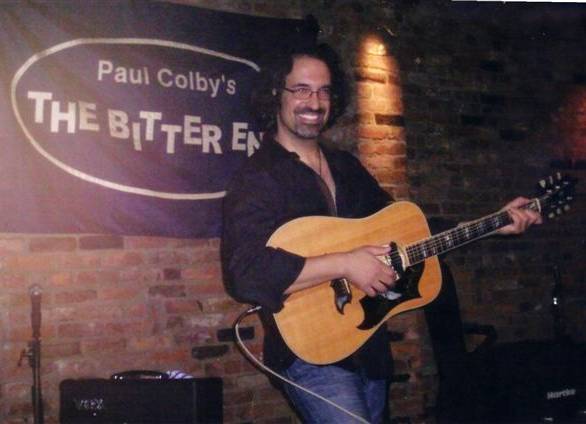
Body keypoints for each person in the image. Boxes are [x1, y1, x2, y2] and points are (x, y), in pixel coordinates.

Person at [220, 43, 542, 423]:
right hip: (310, 354)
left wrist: (494, 223)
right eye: (302, 89)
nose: (315, 101)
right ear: (277, 93)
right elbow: (245, 273)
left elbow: (406, 231)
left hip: (367, 347)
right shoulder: (257, 179)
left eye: (324, 90)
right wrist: (345, 263)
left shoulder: (346, 167)